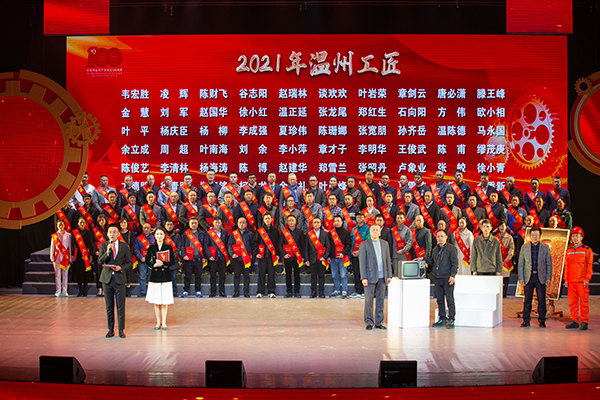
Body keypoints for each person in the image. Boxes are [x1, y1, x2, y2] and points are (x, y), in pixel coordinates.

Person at [98, 223, 133, 338]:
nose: (112, 234)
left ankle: (121, 330)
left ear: (118, 234)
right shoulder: (104, 245)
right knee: (109, 306)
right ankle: (110, 329)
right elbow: (100, 261)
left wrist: (120, 268)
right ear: (107, 234)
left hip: (119, 278)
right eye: (110, 232)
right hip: (107, 279)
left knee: (120, 306)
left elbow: (129, 263)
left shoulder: (124, 246)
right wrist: (107, 252)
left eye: (114, 232)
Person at [419, 229, 459, 328]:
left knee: (449, 299)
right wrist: (423, 259)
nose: (440, 238)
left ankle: (451, 319)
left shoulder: (451, 248)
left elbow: (455, 263)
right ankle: (442, 318)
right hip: (437, 277)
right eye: (438, 236)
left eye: (442, 236)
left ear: (446, 237)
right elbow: (433, 262)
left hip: (447, 278)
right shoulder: (435, 249)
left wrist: (452, 275)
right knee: (440, 300)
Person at [518, 226, 553, 328]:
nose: (534, 237)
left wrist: (548, 277)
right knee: (527, 300)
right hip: (528, 277)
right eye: (533, 235)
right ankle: (526, 320)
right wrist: (521, 277)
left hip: (540, 277)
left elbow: (549, 263)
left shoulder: (545, 247)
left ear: (540, 236)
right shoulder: (524, 247)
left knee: (541, 300)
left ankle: (542, 320)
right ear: (530, 236)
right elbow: (521, 263)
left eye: (537, 235)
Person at [360, 224, 392, 330]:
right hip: (369, 277)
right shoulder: (364, 244)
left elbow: (387, 260)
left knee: (380, 300)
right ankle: (369, 322)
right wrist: (363, 277)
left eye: (377, 230)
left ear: (380, 232)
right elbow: (362, 262)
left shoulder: (385, 244)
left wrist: (389, 275)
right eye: (373, 230)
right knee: (368, 300)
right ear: (370, 232)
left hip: (382, 276)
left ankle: (379, 322)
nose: (375, 232)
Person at [145, 227, 176, 330]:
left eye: (161, 234)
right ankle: (158, 322)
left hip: (165, 275)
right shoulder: (151, 247)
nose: (159, 236)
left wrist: (163, 264)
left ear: (164, 235)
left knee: (164, 301)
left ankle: (164, 322)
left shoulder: (168, 247)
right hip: (155, 276)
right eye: (157, 234)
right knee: (157, 300)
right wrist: (153, 265)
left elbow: (172, 261)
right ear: (154, 235)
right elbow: (146, 261)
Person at [564, 227, 593, 331]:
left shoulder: (587, 250)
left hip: (582, 282)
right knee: (572, 302)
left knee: (584, 302)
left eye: (577, 236)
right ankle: (574, 320)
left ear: (581, 237)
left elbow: (589, 266)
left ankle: (584, 321)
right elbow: (566, 266)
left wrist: (587, 279)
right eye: (573, 236)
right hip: (571, 281)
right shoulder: (568, 250)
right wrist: (566, 279)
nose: (575, 238)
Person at [253, 213, 281, 298]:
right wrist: (256, 253)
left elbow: (278, 244)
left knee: (271, 274)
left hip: (272, 256)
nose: (267, 220)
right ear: (263, 220)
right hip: (262, 256)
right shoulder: (260, 231)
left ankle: (271, 291)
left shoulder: (275, 231)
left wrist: (278, 254)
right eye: (266, 218)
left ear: (271, 219)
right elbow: (255, 242)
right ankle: (260, 291)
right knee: (261, 274)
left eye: (269, 218)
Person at [227, 217, 255, 298]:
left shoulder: (250, 234)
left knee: (246, 276)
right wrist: (232, 254)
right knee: (236, 276)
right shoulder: (233, 234)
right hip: (237, 259)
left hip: (246, 259)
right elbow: (229, 245)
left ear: (246, 224)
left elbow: (253, 246)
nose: (242, 224)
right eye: (240, 222)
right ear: (237, 224)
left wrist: (250, 256)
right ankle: (236, 292)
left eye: (243, 223)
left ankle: (246, 292)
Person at [180, 217, 207, 298]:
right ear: (189, 224)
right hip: (188, 259)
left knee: (198, 276)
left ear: (198, 224)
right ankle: (186, 291)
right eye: (192, 223)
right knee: (187, 276)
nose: (194, 224)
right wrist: (184, 255)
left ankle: (198, 291)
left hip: (198, 258)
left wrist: (204, 257)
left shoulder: (201, 233)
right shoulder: (186, 233)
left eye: (195, 223)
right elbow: (182, 245)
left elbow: (204, 246)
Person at [280, 214, 306, 298]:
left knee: (297, 275)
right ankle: (289, 292)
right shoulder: (284, 233)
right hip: (287, 257)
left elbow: (303, 245)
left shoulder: (300, 232)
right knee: (288, 275)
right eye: (289, 220)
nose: (291, 222)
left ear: (295, 222)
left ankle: (297, 292)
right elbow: (280, 245)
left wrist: (302, 256)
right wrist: (284, 254)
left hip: (297, 257)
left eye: (292, 220)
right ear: (287, 222)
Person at [306, 217, 332, 298]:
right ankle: (313, 292)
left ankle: (321, 292)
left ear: (320, 224)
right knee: (313, 276)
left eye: (318, 222)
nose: (316, 224)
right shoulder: (309, 234)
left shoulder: (325, 234)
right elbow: (306, 248)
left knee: (321, 276)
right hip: (312, 259)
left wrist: (325, 257)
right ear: (312, 224)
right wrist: (307, 259)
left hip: (322, 259)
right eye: (315, 222)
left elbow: (328, 246)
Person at [206, 217, 230, 297]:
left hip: (222, 257)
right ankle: (213, 291)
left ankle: (221, 291)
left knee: (222, 275)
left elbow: (227, 244)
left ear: (221, 223)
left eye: (219, 222)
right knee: (213, 275)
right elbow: (206, 245)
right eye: (216, 222)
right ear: (213, 223)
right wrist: (209, 256)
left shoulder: (225, 232)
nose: (217, 224)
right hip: (213, 257)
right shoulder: (209, 233)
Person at [329, 215, 352, 298]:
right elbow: (328, 245)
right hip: (332, 258)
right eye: (335, 221)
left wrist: (344, 253)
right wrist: (328, 256)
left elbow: (348, 245)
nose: (337, 222)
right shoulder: (331, 233)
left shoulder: (346, 233)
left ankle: (344, 291)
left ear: (342, 222)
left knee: (343, 275)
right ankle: (337, 290)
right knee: (334, 275)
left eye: (338, 221)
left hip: (343, 257)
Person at [71, 217, 94, 296]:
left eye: (83, 222)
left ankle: (85, 290)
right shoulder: (74, 233)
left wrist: (91, 255)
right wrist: (72, 254)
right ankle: (80, 290)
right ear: (78, 223)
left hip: (86, 254)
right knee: (78, 272)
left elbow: (91, 244)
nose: (82, 224)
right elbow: (72, 244)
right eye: (80, 222)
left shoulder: (89, 233)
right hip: (78, 254)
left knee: (85, 272)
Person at [349, 212, 370, 299]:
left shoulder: (367, 229)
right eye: (357, 217)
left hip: (363, 255)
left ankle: (364, 291)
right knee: (356, 272)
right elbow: (351, 241)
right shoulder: (354, 229)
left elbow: (367, 242)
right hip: (354, 255)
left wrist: (359, 251)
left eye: (361, 217)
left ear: (364, 218)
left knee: (363, 273)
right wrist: (352, 252)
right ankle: (358, 291)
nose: (359, 219)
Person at [50, 219, 71, 297]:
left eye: (62, 225)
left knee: (65, 274)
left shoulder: (68, 235)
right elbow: (52, 246)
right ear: (57, 226)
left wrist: (70, 257)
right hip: (57, 256)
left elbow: (69, 247)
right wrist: (51, 255)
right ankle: (58, 290)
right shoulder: (54, 236)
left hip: (65, 256)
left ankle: (64, 290)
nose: (61, 226)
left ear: (64, 226)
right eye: (59, 225)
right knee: (57, 274)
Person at [134, 223, 155, 297]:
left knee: (152, 277)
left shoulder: (154, 238)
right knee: (142, 277)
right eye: (144, 228)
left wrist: (153, 257)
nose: (146, 229)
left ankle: (151, 292)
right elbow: (136, 249)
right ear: (142, 229)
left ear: (150, 229)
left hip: (151, 261)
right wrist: (141, 257)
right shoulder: (138, 238)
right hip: (142, 261)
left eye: (148, 228)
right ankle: (143, 291)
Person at [497, 221, 515, 298]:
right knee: (498, 276)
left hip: (506, 259)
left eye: (503, 226)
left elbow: (512, 247)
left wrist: (509, 256)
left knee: (506, 276)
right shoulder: (495, 237)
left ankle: (505, 292)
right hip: (498, 259)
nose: (502, 227)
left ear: (506, 227)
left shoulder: (509, 237)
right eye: (500, 226)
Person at [163, 219, 181, 297]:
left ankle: (174, 292)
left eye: (171, 225)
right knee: (165, 277)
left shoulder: (177, 235)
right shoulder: (163, 235)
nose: (169, 226)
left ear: (173, 226)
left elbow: (179, 247)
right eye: (168, 224)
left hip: (174, 260)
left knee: (173, 277)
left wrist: (174, 255)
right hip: (165, 259)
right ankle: (165, 292)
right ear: (165, 226)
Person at [92, 214, 109, 296]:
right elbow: (91, 242)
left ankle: (105, 289)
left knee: (105, 272)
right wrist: (95, 251)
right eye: (100, 220)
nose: (101, 221)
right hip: (97, 254)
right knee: (98, 272)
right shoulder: (94, 230)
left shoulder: (108, 230)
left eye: (103, 220)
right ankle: (99, 288)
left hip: (106, 253)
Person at [118, 217, 135, 297]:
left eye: (124, 222)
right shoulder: (118, 234)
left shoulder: (131, 234)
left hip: (128, 256)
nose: (123, 224)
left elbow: (132, 245)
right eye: (122, 223)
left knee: (128, 273)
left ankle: (128, 290)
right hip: (120, 257)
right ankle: (122, 289)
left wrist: (130, 255)